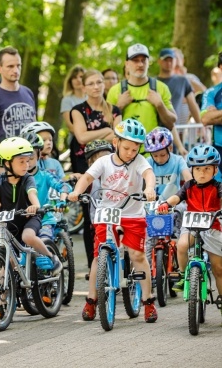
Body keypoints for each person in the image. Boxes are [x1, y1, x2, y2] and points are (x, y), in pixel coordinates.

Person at [68, 119, 158, 323]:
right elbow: (87, 178)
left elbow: (148, 174)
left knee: (137, 255)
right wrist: (76, 192)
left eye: (135, 149)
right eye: (126, 148)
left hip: (133, 213)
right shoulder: (103, 161)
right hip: (107, 213)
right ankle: (91, 300)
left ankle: (147, 300)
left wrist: (149, 188)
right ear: (116, 142)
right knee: (99, 256)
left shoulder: (139, 161)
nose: (130, 153)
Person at [0, 137, 63, 275]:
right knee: (6, 255)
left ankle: (53, 257)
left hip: (29, 218)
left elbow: (32, 194)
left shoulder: (28, 179)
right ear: (7, 163)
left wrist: (34, 206)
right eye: (21, 162)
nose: (26, 165)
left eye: (27, 161)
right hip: (9, 222)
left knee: (28, 237)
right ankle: (8, 287)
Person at [157, 145, 222, 297]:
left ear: (215, 170)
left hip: (212, 227)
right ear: (191, 170)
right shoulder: (188, 186)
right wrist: (166, 204)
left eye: (207, 168)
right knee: (182, 244)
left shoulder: (217, 187)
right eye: (198, 169)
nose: (202, 173)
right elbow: (177, 197)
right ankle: (181, 274)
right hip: (192, 225)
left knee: (218, 268)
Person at [107, 43, 176, 145]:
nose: (140, 64)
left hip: (154, 153)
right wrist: (118, 107)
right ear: (126, 64)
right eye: (135, 60)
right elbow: (105, 126)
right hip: (126, 153)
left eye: (143, 60)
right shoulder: (115, 90)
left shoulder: (161, 88)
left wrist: (159, 104)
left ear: (148, 63)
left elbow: (171, 123)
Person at [144, 127, 192, 264]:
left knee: (179, 224)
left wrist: (191, 189)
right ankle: (147, 272)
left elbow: (188, 180)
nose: (158, 159)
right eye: (155, 155)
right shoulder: (148, 162)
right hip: (152, 204)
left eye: (162, 155)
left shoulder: (178, 161)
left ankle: (179, 260)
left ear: (170, 148)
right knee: (149, 240)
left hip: (174, 203)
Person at [19, 132, 71, 241]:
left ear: (38, 155)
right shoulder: (13, 177)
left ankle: (48, 257)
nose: (27, 163)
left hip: (44, 219)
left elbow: (64, 185)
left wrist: (61, 201)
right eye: (22, 159)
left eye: (31, 157)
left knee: (44, 239)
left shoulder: (45, 175)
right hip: (21, 220)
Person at [70, 69, 122, 175]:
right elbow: (82, 138)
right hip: (84, 162)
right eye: (91, 84)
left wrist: (91, 138)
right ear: (84, 88)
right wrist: (107, 130)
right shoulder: (78, 110)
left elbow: (118, 138)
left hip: (110, 161)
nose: (96, 87)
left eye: (99, 82)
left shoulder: (115, 110)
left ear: (103, 84)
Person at [0, 46, 36, 142]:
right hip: (6, 155)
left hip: (31, 154)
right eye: (10, 66)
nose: (15, 70)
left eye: (18, 65)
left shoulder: (28, 93)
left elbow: (34, 127)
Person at [157, 48, 202, 155]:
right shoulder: (153, 82)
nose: (168, 63)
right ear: (159, 61)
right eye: (165, 60)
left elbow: (193, 104)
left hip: (174, 130)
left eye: (171, 60)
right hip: (156, 129)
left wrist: (201, 126)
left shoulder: (182, 80)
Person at [82, 139, 114, 279]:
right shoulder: (90, 179)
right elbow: (80, 183)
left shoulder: (116, 176)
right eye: (99, 160)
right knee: (95, 245)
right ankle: (94, 269)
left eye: (107, 158)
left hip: (116, 217)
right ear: (91, 163)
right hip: (97, 220)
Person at [201, 52, 222, 181]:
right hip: (219, 151)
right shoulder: (212, 93)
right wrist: (213, 116)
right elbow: (206, 119)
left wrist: (217, 114)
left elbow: (213, 116)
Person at [60, 65, 86, 136]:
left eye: (81, 77)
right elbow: (70, 127)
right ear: (70, 81)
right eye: (74, 77)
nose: (78, 80)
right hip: (76, 139)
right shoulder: (67, 100)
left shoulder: (92, 98)